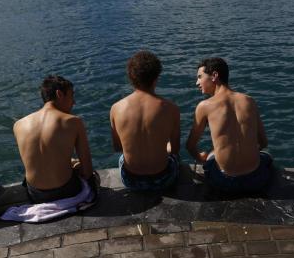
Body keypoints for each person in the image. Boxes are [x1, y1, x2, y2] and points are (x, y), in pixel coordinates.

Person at [186, 57, 272, 193]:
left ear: (214, 76)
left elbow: (190, 146)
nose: (197, 82)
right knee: (266, 156)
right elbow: (263, 142)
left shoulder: (204, 106)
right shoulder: (249, 101)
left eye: (200, 77)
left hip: (224, 182)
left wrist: (200, 157)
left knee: (211, 157)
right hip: (257, 179)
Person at [14, 75, 95, 203]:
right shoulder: (74, 121)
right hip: (66, 191)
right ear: (59, 94)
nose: (74, 102)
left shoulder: (18, 125)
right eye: (71, 95)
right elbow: (87, 169)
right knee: (89, 173)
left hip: (35, 194)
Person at [110, 51, 181, 191]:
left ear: (131, 77)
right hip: (163, 179)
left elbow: (118, 148)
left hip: (131, 181)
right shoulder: (171, 108)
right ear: (156, 78)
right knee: (175, 158)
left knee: (121, 159)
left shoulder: (116, 108)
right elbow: (175, 149)